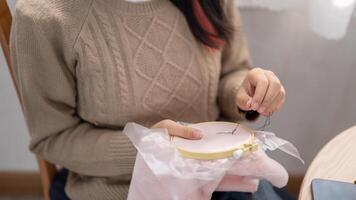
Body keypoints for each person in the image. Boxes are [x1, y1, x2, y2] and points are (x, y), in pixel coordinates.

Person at [10, 0, 287, 199]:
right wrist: (148, 148)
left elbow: (230, 70)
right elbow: (54, 138)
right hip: (117, 189)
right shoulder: (44, 16)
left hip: (223, 179)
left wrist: (244, 92)